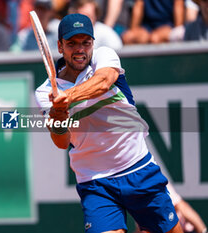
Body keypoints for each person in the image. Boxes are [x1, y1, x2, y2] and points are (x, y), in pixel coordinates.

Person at [35, 13, 184, 232]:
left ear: (93, 43)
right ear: (60, 46)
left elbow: (103, 82)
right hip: (95, 182)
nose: (80, 49)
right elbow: (61, 141)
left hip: (137, 166)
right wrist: (58, 117)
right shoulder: (45, 92)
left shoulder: (104, 56)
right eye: (72, 44)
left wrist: (67, 98)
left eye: (86, 43)